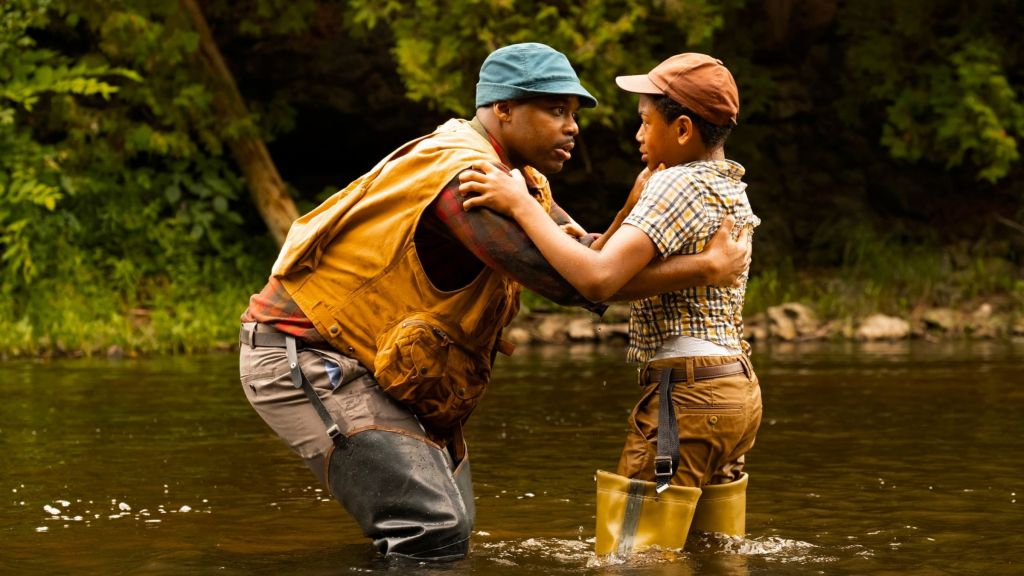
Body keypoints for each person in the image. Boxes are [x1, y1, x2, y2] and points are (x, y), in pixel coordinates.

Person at [238, 43, 750, 562]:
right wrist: (704, 267)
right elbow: (577, 282)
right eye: (555, 111)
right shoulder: (468, 178)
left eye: (573, 114)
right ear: (503, 110)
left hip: (374, 363)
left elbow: (585, 254)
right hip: (305, 353)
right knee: (432, 526)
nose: (572, 127)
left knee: (446, 528)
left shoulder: (518, 182)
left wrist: (626, 210)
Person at [459, 53, 762, 556]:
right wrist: (622, 213)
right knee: (713, 556)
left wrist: (518, 204)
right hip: (735, 395)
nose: (639, 137)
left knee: (632, 556)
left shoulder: (676, 183)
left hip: (685, 397)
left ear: (683, 129)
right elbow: (613, 264)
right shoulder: (730, 183)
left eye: (645, 123)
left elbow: (598, 281)